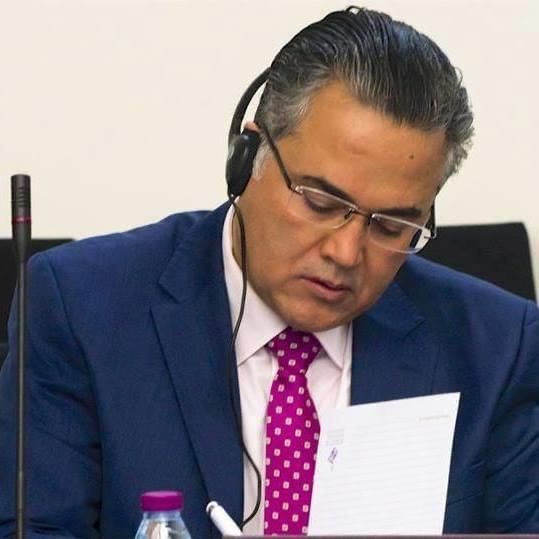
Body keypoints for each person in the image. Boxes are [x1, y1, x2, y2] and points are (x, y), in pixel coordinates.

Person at [1, 5, 538, 538]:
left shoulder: (499, 349)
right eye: (321, 202)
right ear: (248, 157)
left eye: (392, 226)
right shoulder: (82, 308)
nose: (346, 252)